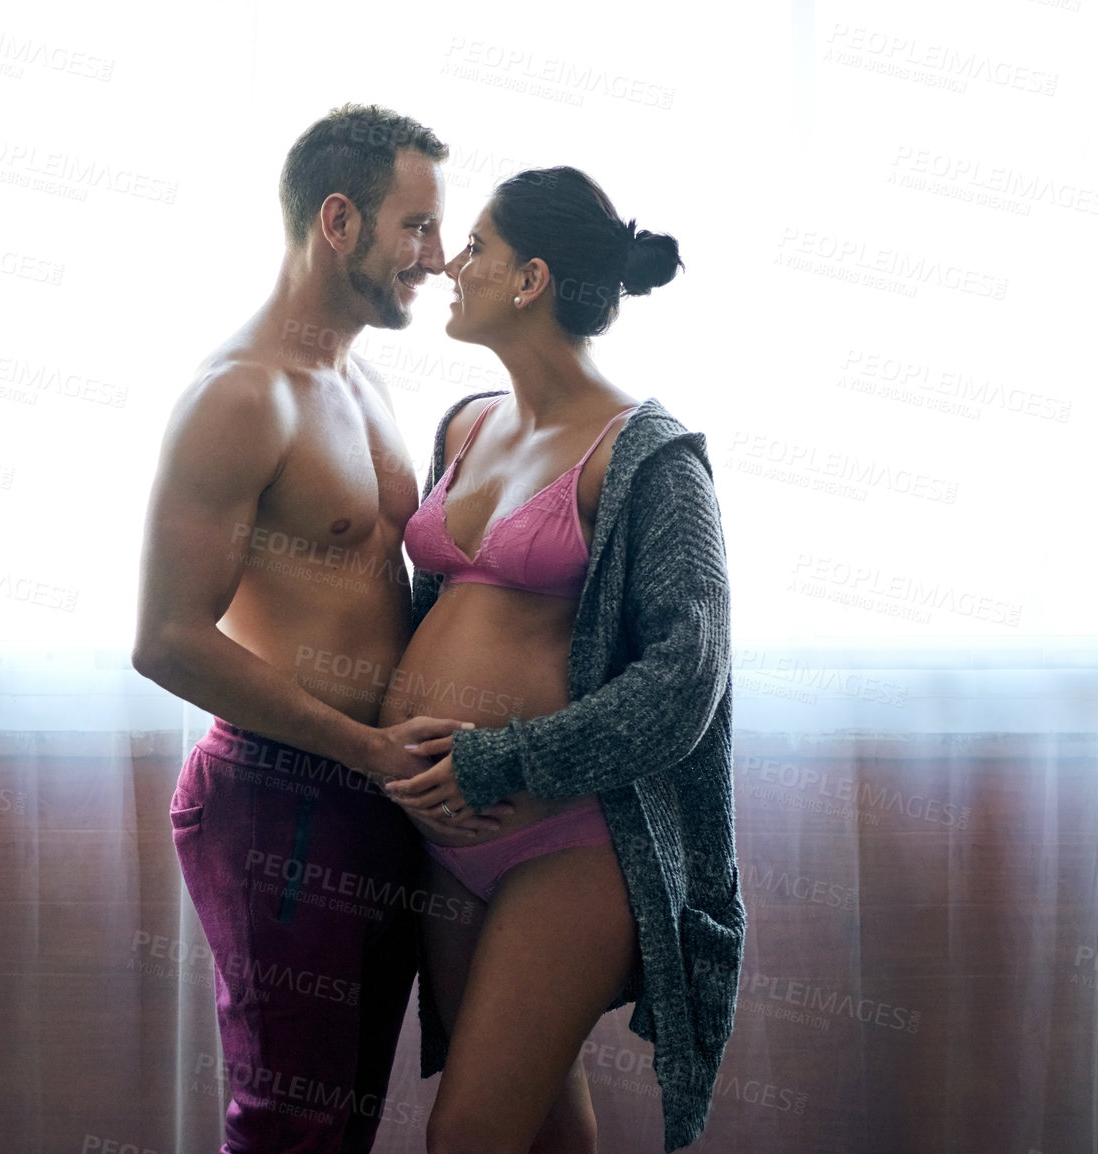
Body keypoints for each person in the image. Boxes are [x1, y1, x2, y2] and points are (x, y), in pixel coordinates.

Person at [132, 104, 511, 1153]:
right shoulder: (240, 395)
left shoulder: (363, 381)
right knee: (289, 1123)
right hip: (282, 797)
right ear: (337, 220)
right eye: (414, 228)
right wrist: (363, 747)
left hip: (380, 791)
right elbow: (165, 636)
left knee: (341, 1118)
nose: (436, 259)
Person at [377, 167, 743, 1153]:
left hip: (568, 838)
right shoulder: (463, 423)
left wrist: (497, 761)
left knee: (466, 1134)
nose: (451, 264)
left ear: (530, 277)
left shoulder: (650, 456)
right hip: (443, 835)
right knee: (537, 1123)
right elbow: (430, 610)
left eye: (478, 248)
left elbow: (684, 678)